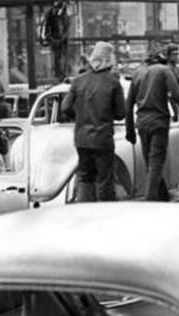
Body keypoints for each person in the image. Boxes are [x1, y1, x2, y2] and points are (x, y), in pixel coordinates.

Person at [60, 41, 125, 202]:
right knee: (104, 180)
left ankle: (85, 214)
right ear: (109, 61)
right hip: (102, 139)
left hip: (81, 139)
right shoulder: (113, 83)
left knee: (85, 178)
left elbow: (65, 107)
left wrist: (79, 116)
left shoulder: (78, 81)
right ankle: (102, 216)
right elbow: (120, 113)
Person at [125, 46, 179, 201]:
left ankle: (163, 197)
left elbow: (129, 105)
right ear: (163, 59)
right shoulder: (165, 70)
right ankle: (151, 201)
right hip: (159, 123)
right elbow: (177, 95)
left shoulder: (138, 73)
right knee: (156, 164)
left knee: (150, 164)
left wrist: (130, 130)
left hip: (142, 124)